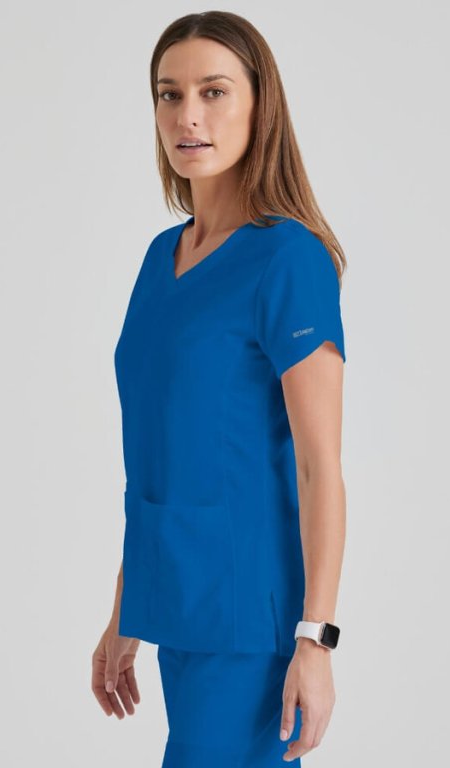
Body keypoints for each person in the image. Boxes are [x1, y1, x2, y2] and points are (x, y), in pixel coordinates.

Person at [91, 11, 348, 767]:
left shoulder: (288, 260)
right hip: (176, 604)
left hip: (247, 621)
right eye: (169, 94)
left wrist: (316, 642)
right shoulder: (160, 258)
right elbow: (159, 453)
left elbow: (319, 467)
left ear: (260, 105)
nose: (188, 116)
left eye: (213, 91)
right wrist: (126, 609)